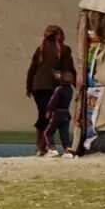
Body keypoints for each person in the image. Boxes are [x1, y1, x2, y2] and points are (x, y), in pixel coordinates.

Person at [26, 25, 77, 157]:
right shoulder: (64, 50)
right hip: (53, 88)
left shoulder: (40, 49)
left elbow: (32, 71)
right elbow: (68, 69)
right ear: (59, 35)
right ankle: (46, 147)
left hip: (37, 88)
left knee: (43, 115)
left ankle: (40, 147)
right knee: (52, 117)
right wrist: (76, 82)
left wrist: (28, 87)